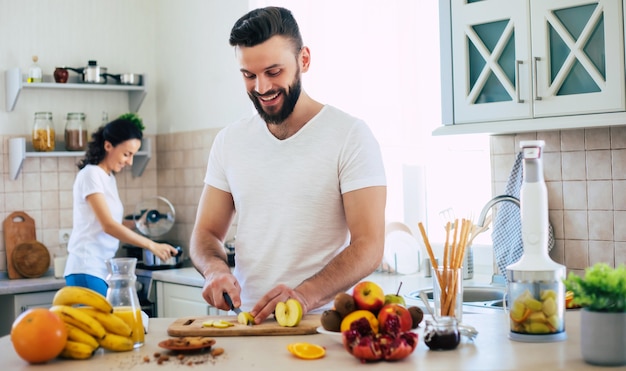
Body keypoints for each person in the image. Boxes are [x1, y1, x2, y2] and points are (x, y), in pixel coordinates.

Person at [190, 6, 387, 324]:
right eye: (249, 75)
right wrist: (215, 270)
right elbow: (206, 232)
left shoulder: (350, 135)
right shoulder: (230, 141)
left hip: (321, 323)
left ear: (304, 60)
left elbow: (369, 244)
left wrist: (304, 296)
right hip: (247, 320)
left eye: (273, 72)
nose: (262, 88)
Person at [64, 118, 178, 297]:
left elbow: (112, 223)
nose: (130, 162)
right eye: (127, 154)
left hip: (101, 269)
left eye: (133, 155)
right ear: (108, 146)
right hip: (86, 268)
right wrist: (151, 245)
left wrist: (138, 224)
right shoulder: (91, 174)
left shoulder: (108, 178)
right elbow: (108, 226)